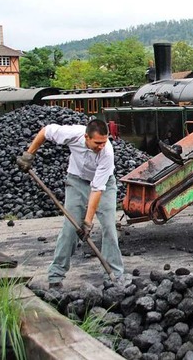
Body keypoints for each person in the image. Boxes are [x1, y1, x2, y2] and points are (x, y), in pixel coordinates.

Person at [17, 119, 124, 289]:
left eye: (104, 142)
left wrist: (87, 223)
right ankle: (55, 276)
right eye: (97, 143)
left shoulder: (107, 153)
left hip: (104, 186)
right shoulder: (72, 134)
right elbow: (46, 131)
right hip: (76, 182)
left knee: (109, 228)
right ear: (86, 137)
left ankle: (115, 276)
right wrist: (29, 155)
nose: (101, 146)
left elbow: (97, 190)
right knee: (69, 229)